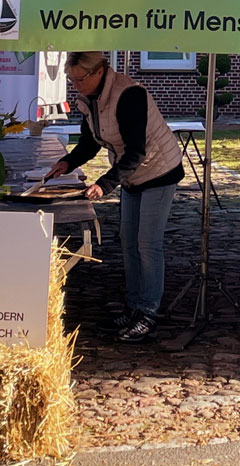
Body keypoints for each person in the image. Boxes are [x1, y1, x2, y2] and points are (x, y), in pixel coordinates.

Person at [45, 51, 184, 343]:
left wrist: (105, 185)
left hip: (159, 171)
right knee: (127, 241)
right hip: (132, 174)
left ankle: (147, 312)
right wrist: (68, 162)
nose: (76, 85)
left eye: (80, 79)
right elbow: (90, 141)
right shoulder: (92, 97)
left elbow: (137, 151)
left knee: (147, 244)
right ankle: (133, 307)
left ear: (99, 72)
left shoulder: (129, 94)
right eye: (72, 80)